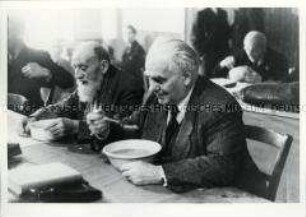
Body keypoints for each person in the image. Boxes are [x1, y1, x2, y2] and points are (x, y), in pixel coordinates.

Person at [87, 37, 265, 194]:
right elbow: (134, 127)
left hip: (234, 198)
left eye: (159, 80)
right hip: (184, 193)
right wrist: (107, 128)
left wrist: (160, 173)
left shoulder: (220, 106)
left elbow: (222, 165)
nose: (151, 87)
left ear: (186, 76)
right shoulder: (157, 96)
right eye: (149, 78)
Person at [21, 41, 144, 147]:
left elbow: (121, 129)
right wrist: (35, 117)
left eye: (83, 68)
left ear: (103, 66)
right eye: (75, 67)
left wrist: (76, 127)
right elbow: (63, 106)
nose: (77, 75)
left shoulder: (129, 85)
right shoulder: (91, 82)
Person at [8, 16, 75, 113]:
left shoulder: (39, 56)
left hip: (31, 118)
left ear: (19, 33)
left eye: (7, 32)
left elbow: (69, 81)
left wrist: (46, 72)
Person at [213, 31, 289, 83]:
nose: (249, 53)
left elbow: (283, 81)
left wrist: (262, 80)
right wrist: (221, 65)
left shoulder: (279, 59)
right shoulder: (241, 55)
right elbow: (215, 75)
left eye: (253, 51)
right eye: (246, 48)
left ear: (263, 49)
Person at [191, 8, 231, 77]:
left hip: (222, 57)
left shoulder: (223, 13)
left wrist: (227, 55)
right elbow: (195, 38)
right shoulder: (201, 14)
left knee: (221, 82)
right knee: (208, 83)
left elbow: (226, 36)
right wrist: (202, 55)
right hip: (208, 58)